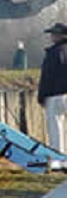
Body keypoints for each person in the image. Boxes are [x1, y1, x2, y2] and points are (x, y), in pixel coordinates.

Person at [38, 23, 67, 154]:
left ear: (59, 36)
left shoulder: (54, 53)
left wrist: (41, 96)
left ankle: (59, 160)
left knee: (55, 130)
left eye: (53, 34)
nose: (51, 36)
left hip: (55, 95)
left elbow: (47, 76)